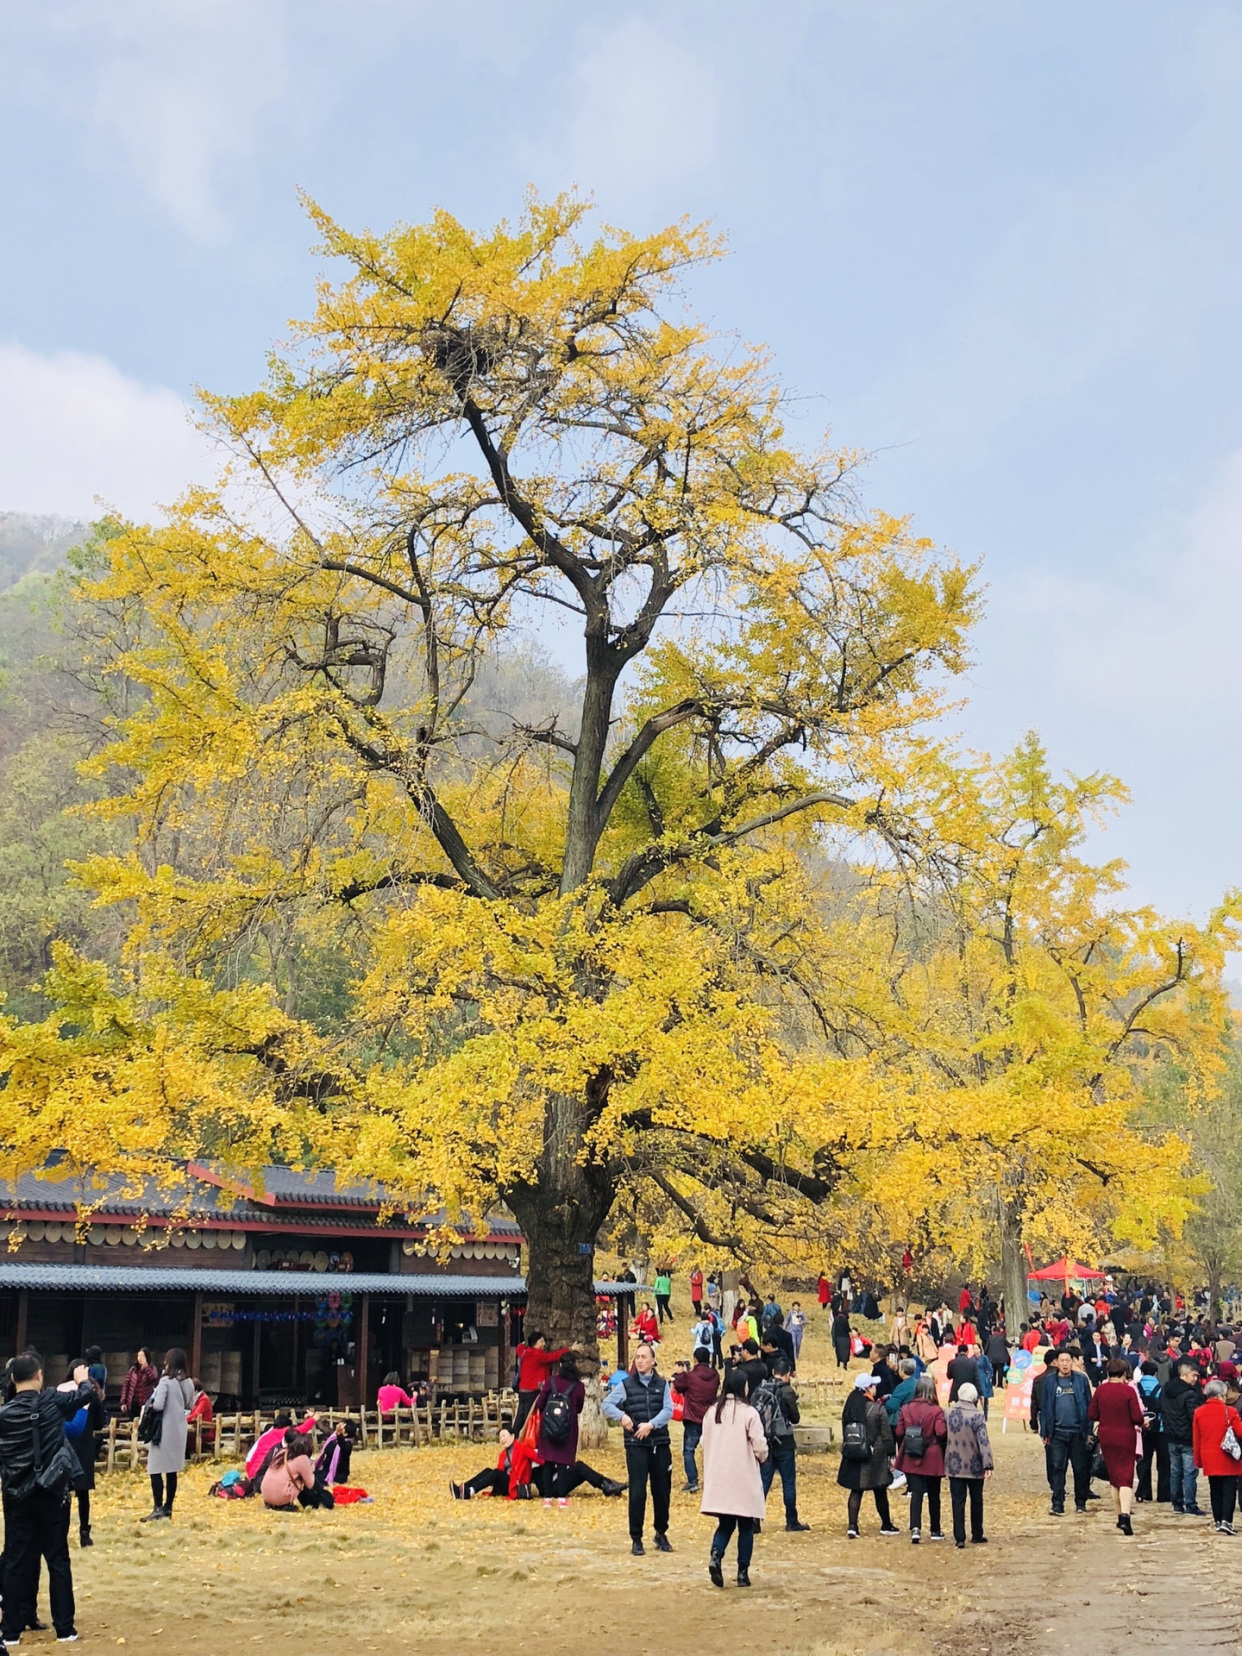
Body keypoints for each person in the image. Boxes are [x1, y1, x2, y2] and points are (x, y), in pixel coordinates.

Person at [0, 1353, 95, 1646]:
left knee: (16, 1560)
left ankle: (11, 1631)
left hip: (17, 1495)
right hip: (52, 1493)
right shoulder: (52, 1401)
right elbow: (86, 1396)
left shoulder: (4, 1415)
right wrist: (81, 1379)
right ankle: (65, 1628)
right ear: (40, 1375)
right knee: (57, 1559)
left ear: (13, 1380)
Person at [602, 1342, 674, 1555]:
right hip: (636, 1446)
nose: (640, 1360)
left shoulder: (662, 1384)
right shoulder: (626, 1385)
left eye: (644, 1357)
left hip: (659, 1443)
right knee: (637, 1492)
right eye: (637, 1357)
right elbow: (607, 1404)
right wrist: (622, 1417)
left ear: (653, 1360)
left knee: (661, 1492)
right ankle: (636, 1537)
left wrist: (652, 1424)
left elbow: (668, 1410)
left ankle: (661, 1532)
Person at [701, 1368, 768, 1588]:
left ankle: (716, 1554)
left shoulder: (712, 1412)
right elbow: (759, 1445)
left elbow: (704, 1442)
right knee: (746, 1526)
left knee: (726, 1524)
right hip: (743, 1476)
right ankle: (742, 1572)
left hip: (719, 1476)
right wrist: (763, 1457)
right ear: (742, 1386)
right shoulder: (749, 1413)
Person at [1087, 1357, 1146, 1535]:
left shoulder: (1101, 1390)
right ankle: (1125, 1517)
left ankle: (1118, 1514)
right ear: (1124, 1373)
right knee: (1126, 1476)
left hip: (1106, 1435)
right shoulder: (1128, 1391)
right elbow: (1137, 1417)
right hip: (1126, 1436)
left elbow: (1092, 1413)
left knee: (1114, 1477)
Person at [838, 1373, 898, 1538]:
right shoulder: (877, 1409)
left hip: (854, 1452)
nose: (875, 1387)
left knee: (856, 1491)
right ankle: (886, 1524)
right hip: (874, 1456)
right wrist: (891, 1454)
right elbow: (886, 1435)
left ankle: (852, 1525)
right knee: (880, 1490)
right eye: (873, 1385)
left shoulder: (850, 1406)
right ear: (868, 1388)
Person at [140, 1346, 195, 1523]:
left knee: (155, 1469)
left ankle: (157, 1507)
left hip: (163, 1430)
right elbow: (190, 1405)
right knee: (172, 1471)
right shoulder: (188, 1382)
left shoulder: (165, 1382)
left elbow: (158, 1405)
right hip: (179, 1429)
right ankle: (168, 1507)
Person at [753, 1356, 808, 1530]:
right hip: (784, 1441)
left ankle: (754, 1519)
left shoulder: (761, 1388)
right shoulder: (787, 1391)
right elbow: (795, 1417)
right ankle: (791, 1520)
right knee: (788, 1482)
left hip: (766, 1440)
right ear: (787, 1374)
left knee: (763, 1481)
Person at [1039, 1348, 1093, 1516]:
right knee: (1056, 1468)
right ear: (1056, 1363)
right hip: (1056, 1433)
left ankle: (1081, 1502)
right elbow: (1045, 1407)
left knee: (1080, 1469)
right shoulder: (1049, 1382)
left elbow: (1089, 1405)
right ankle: (1057, 1503)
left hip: (1078, 1432)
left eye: (1067, 1360)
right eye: (1061, 1361)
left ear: (1072, 1362)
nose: (1064, 1364)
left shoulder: (1081, 1380)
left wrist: (1089, 1430)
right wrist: (1045, 1431)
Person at [896, 1372, 947, 1543]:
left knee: (916, 1493)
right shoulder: (936, 1410)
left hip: (912, 1453)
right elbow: (941, 1432)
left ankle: (915, 1528)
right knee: (934, 1494)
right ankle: (935, 1529)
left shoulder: (906, 1408)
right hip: (932, 1455)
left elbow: (899, 1432)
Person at [62, 1359, 105, 1549]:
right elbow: (99, 1423)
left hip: (63, 1445)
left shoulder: (60, 1390)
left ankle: (60, 1531)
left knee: (62, 1491)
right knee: (83, 1493)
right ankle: (84, 1533)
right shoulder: (91, 1394)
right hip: (85, 1446)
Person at [944, 1382, 992, 1548]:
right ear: (974, 1398)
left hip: (954, 1464)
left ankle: (959, 1537)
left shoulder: (948, 1413)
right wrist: (988, 1464)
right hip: (974, 1464)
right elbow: (983, 1442)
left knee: (957, 1501)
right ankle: (977, 1533)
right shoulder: (978, 1416)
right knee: (976, 1499)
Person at [1192, 1377, 1242, 1534]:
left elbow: (1196, 1438)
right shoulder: (1230, 1411)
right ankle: (1227, 1521)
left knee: (1215, 1489)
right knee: (1229, 1489)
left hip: (1209, 1456)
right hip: (1227, 1455)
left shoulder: (1199, 1412)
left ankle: (1218, 1519)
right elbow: (1240, 1431)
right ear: (1221, 1395)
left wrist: (1198, 1460)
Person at [534, 1355, 587, 1501]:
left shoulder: (551, 1382)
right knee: (563, 1462)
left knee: (548, 1462)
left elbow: (540, 1403)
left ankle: (547, 1498)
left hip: (549, 1426)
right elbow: (579, 1408)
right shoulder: (579, 1386)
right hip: (568, 1427)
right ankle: (562, 1498)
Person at [672, 1347, 720, 1494]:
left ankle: (693, 1481)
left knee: (689, 1450)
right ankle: (714, 1480)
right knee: (712, 1450)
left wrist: (680, 1374)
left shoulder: (690, 1376)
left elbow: (678, 1386)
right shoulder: (715, 1376)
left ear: (695, 1360)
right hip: (710, 1417)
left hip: (693, 1417)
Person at [1162, 1359, 1206, 1515]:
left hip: (1171, 1436)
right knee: (1189, 1473)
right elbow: (1194, 1417)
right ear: (1185, 1375)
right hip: (1187, 1438)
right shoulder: (1190, 1394)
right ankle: (1190, 1504)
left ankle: (1177, 1504)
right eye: (1194, 1376)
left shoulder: (1166, 1390)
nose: (1196, 1379)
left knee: (1175, 1472)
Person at [261, 1425, 334, 1510]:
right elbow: (310, 1484)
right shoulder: (302, 1459)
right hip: (281, 1497)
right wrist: (311, 1469)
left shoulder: (282, 1452)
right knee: (302, 1480)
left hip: (266, 1494)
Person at [513, 1332, 571, 1431]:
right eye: (541, 1342)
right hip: (533, 1390)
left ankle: (514, 1435)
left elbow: (519, 1347)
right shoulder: (538, 1355)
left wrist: (523, 1343)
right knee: (529, 1417)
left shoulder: (524, 1351)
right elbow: (553, 1356)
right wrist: (570, 1349)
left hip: (522, 1389)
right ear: (535, 1343)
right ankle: (526, 1438)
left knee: (520, 1415)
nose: (544, 1344)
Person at [1135, 1359, 1167, 1504]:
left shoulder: (1135, 1388)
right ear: (1155, 1373)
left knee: (1143, 1460)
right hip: (1160, 1428)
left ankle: (1144, 1492)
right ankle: (1163, 1494)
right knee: (1163, 1463)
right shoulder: (1161, 1388)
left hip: (1141, 1428)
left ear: (1141, 1372)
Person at [315, 1420, 357, 1493]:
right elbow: (325, 1429)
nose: (338, 1425)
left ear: (346, 1433)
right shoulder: (333, 1438)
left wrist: (339, 1434)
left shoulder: (348, 1444)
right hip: (325, 1470)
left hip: (338, 1475)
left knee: (313, 1479)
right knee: (309, 1475)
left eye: (342, 1426)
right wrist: (315, 1419)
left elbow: (342, 1445)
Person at [118, 1347, 157, 1418]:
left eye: (142, 1356)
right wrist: (123, 1402)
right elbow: (126, 1385)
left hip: (145, 1402)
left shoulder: (152, 1368)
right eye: (139, 1356)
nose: (140, 1358)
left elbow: (153, 1379)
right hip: (133, 1402)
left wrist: (146, 1367)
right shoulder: (133, 1370)